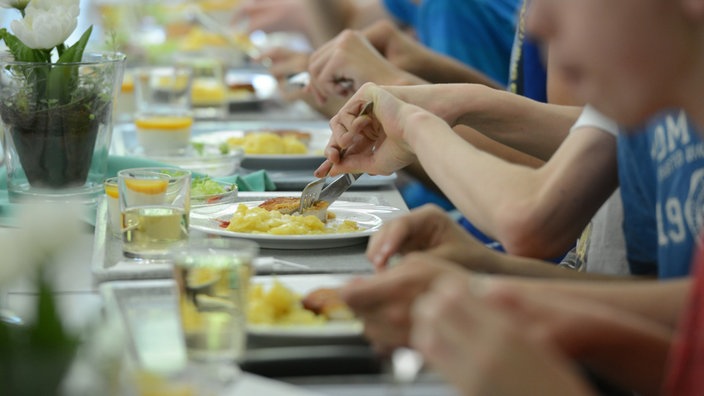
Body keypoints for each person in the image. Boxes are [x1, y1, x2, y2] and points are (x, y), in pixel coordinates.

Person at [380, 0, 704, 393]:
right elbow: (682, 322)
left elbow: (530, 217)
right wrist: (496, 276)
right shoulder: (645, 106)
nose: (534, 22)